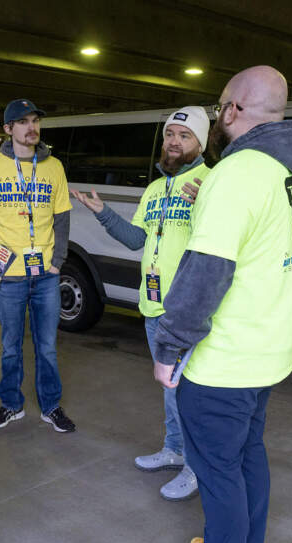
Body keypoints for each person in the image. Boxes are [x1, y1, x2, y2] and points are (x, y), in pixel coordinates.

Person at [151, 66, 292, 543]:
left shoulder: (238, 173)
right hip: (270, 346)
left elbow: (205, 274)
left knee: (216, 467)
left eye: (220, 105)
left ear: (231, 110)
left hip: (227, 355)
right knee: (248, 453)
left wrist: (170, 347)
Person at [70, 106, 210, 501]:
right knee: (170, 390)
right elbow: (137, 240)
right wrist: (102, 213)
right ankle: (174, 449)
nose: (174, 142)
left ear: (200, 142)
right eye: (170, 134)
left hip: (186, 310)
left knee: (190, 394)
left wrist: (207, 204)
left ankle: (195, 467)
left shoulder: (213, 183)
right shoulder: (155, 189)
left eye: (184, 135)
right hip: (153, 307)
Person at [0, 99, 76, 433]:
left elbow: (62, 217)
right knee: (10, 348)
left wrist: (58, 261)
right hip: (8, 276)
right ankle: (11, 405)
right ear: (8, 129)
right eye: (23, 122)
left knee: (47, 348)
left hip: (45, 275)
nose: (32, 128)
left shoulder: (54, 167)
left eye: (35, 121)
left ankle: (51, 407)